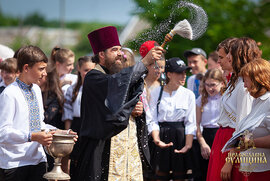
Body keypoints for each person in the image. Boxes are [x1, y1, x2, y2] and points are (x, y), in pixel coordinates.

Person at [75, 26, 164, 181]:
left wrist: (138, 109)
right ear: (101, 54)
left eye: (120, 49)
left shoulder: (116, 77)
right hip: (101, 150)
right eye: (114, 50)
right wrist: (144, 62)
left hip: (127, 151)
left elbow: (126, 90)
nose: (120, 54)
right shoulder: (94, 77)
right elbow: (116, 86)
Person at [0, 45, 77, 181]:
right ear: (26, 68)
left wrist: (60, 132)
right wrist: (32, 136)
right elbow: (3, 133)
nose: (45, 73)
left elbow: (38, 124)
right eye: (41, 69)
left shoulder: (35, 89)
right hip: (15, 164)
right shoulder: (9, 94)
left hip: (38, 160)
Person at [206, 37, 262, 181]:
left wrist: (230, 160)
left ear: (237, 57)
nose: (222, 61)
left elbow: (244, 127)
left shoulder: (243, 86)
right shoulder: (234, 81)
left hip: (233, 140)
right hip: (223, 137)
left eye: (224, 56)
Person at [148, 57, 195, 180]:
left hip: (181, 137)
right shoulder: (155, 92)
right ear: (169, 74)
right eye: (179, 73)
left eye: (185, 73)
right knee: (160, 175)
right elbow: (152, 119)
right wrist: (157, 140)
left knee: (180, 175)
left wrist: (188, 145)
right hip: (161, 135)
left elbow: (191, 122)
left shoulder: (188, 94)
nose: (184, 76)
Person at [229, 58, 270, 181]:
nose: (245, 85)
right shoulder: (257, 101)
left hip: (266, 170)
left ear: (257, 80)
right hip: (254, 168)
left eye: (246, 80)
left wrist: (250, 143)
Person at [62, 56, 96, 180]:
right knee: (75, 160)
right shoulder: (73, 89)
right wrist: (67, 133)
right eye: (86, 70)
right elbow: (68, 113)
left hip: (92, 126)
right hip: (77, 127)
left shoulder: (98, 89)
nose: (88, 73)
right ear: (79, 69)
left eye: (92, 70)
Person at [196, 69, 226, 181]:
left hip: (222, 134)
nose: (209, 88)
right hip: (206, 137)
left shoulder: (226, 98)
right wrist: (202, 143)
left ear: (222, 83)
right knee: (206, 172)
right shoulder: (201, 99)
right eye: (207, 85)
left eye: (213, 85)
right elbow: (197, 124)